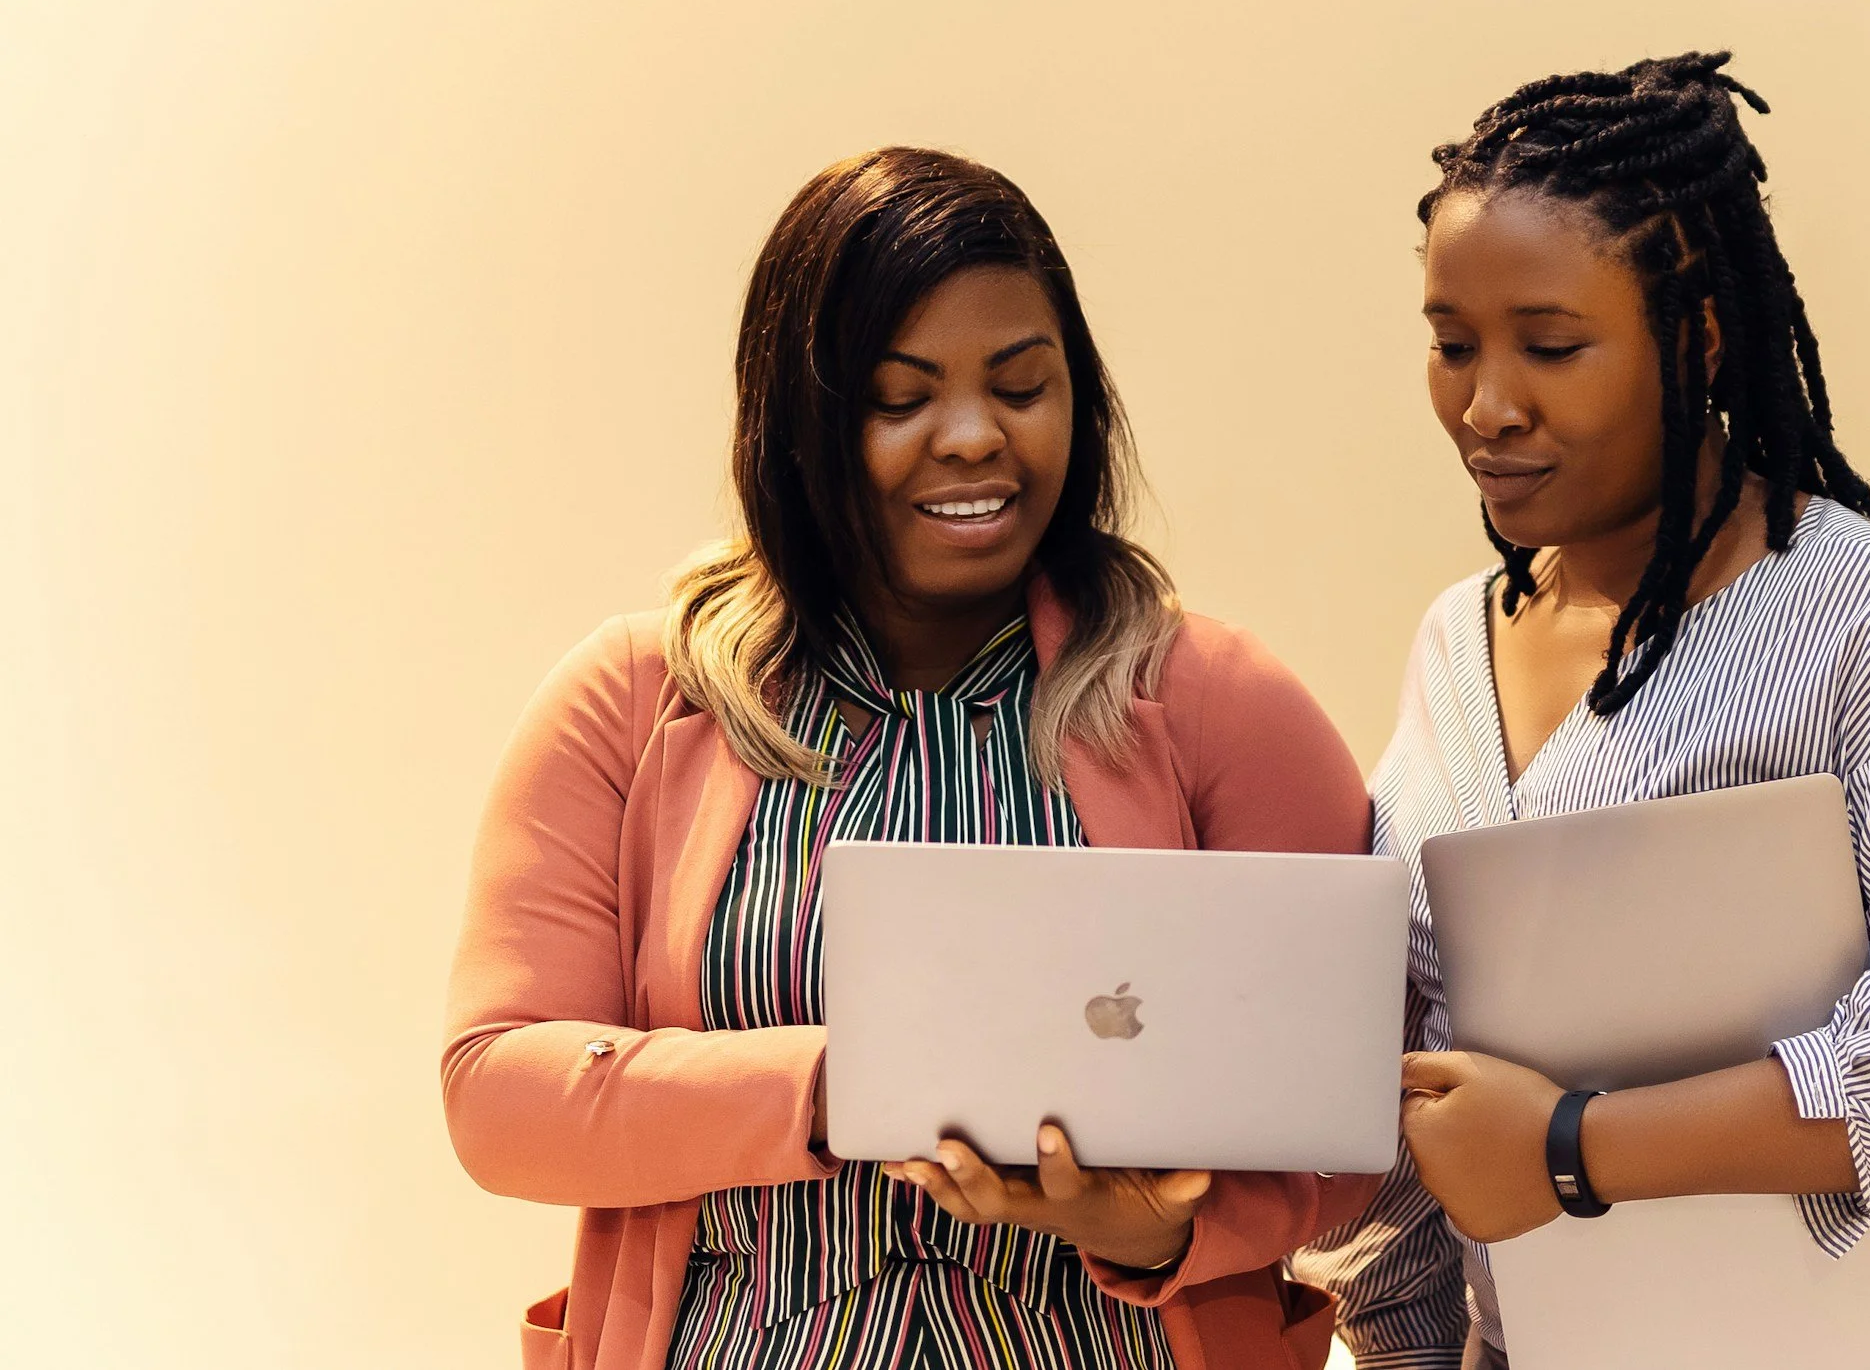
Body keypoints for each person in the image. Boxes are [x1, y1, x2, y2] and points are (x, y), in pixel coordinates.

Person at [443, 147, 1374, 1370]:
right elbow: (499, 1092)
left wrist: (1154, 1232)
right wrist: (842, 1085)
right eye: (902, 397)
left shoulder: (1212, 699)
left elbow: (1350, 1123)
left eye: (1022, 385)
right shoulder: (634, 697)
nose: (974, 438)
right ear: (801, 421)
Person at [1292, 55, 1870, 1370]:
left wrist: (1576, 1146)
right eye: (1452, 344)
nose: (1488, 404)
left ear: (1700, 335)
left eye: (1551, 345)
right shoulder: (1453, 645)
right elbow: (1426, 1078)